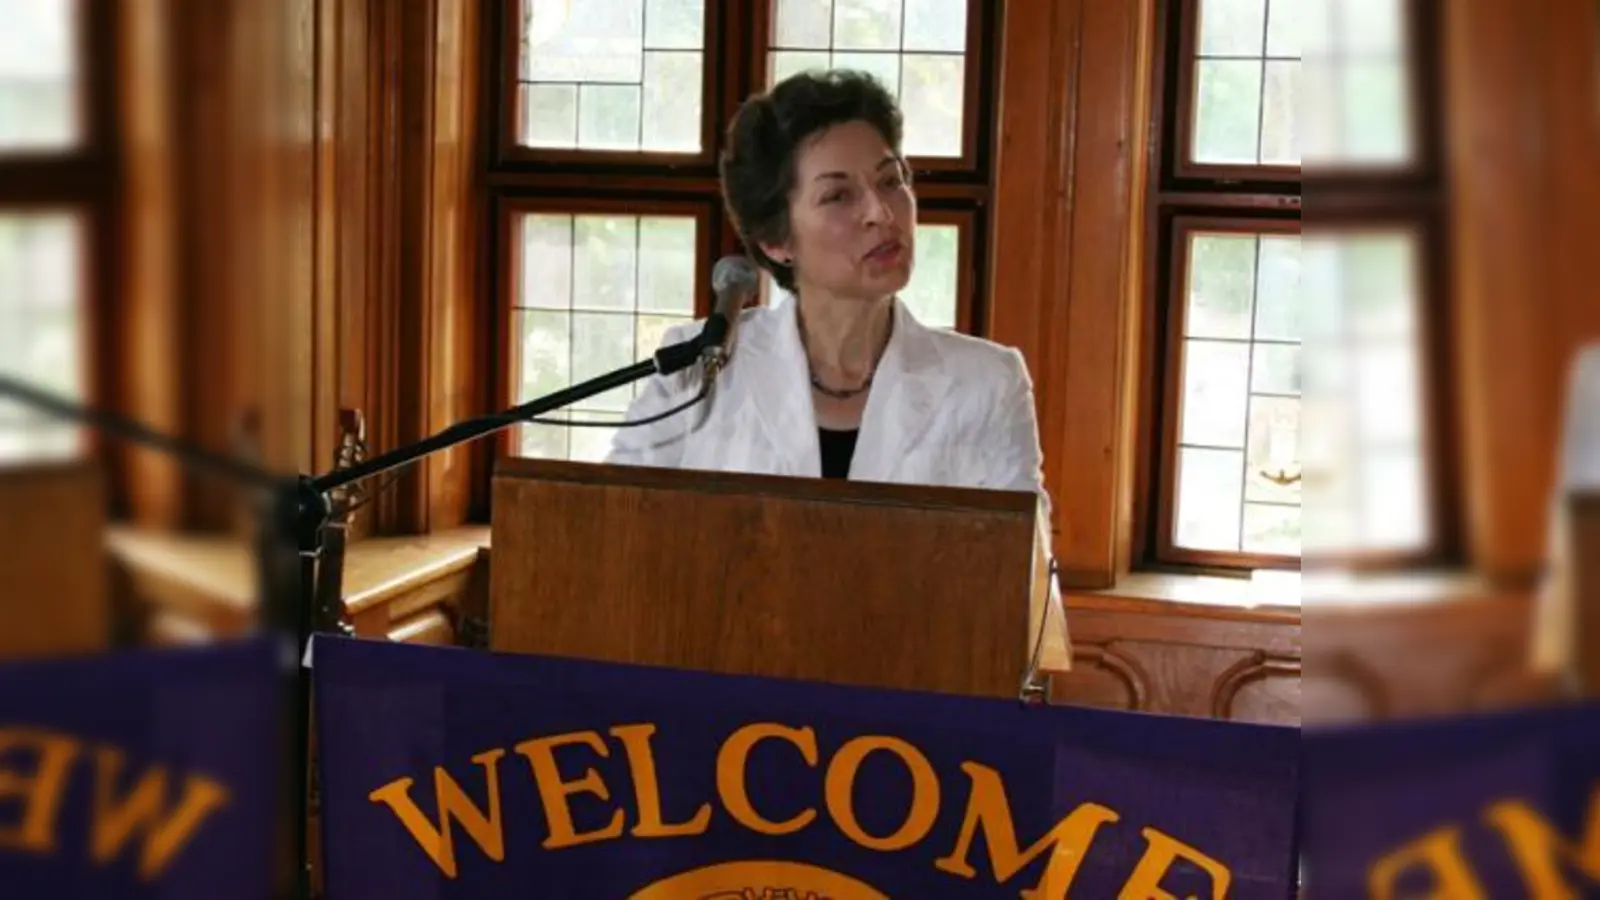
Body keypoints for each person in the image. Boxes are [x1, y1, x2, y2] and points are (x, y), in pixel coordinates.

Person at [606, 69, 1048, 507]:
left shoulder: (987, 384)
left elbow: (1026, 570)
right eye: (839, 196)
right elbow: (613, 530)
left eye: (891, 181)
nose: (880, 213)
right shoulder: (696, 373)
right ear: (777, 241)